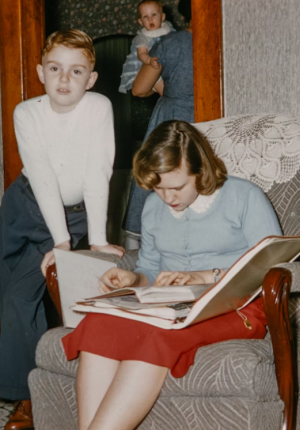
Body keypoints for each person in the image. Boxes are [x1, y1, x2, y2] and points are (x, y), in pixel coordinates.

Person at [62, 120, 283, 430]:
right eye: (158, 187)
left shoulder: (244, 196)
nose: (168, 198)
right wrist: (134, 279)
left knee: (156, 333)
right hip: (171, 303)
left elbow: (273, 265)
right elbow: (150, 270)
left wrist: (205, 276)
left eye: (177, 187)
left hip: (237, 305)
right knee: (98, 323)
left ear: (201, 171)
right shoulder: (154, 207)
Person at [0, 29, 124, 430]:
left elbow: (98, 172)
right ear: (40, 72)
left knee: (44, 296)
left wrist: (96, 240)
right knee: (16, 299)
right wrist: (61, 241)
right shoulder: (27, 113)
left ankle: (47, 392)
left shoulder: (98, 107)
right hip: (26, 206)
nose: (64, 79)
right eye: (55, 69)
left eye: (76, 71)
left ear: (91, 79)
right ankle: (30, 392)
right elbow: (43, 177)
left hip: (77, 212)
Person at [122, 0, 194, 249]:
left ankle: (144, 246)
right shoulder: (229, 39)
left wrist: (167, 89)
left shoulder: (172, 43)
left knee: (159, 179)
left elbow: (139, 89)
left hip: (175, 120)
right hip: (216, 120)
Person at [118, 0, 174, 96]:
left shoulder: (169, 30)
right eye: (145, 16)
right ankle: (170, 100)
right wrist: (149, 60)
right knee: (166, 91)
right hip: (145, 69)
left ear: (162, 17)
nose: (150, 19)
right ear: (140, 22)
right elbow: (141, 54)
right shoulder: (143, 37)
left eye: (154, 15)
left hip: (165, 67)